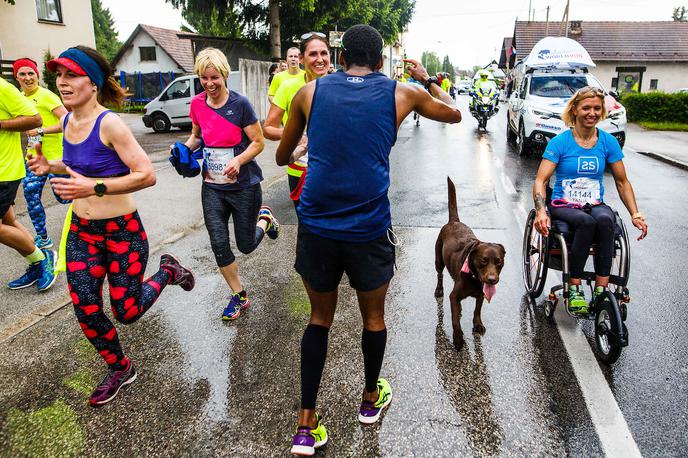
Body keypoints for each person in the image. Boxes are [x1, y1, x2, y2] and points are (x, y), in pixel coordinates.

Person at [276, 24, 461, 456]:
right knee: (372, 318)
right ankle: (368, 400)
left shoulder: (310, 93)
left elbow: (283, 156)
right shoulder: (403, 92)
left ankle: (306, 426)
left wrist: (308, 147)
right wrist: (428, 78)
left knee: (318, 319)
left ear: (341, 59)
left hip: (318, 226)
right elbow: (454, 114)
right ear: (381, 62)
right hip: (368, 228)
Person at [28, 45, 195, 406]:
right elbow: (80, 165)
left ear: (94, 83)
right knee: (85, 306)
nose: (62, 83)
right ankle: (120, 367)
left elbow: (146, 175)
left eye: (72, 75)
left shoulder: (111, 124)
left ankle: (168, 272)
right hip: (82, 233)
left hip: (122, 233)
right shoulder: (69, 121)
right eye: (59, 75)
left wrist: (94, 187)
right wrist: (50, 165)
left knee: (127, 311)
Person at [179, 47, 279, 321]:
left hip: (244, 185)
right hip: (212, 186)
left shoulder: (241, 104)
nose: (209, 84)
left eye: (214, 78)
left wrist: (239, 161)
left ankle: (265, 220)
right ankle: (239, 296)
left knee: (245, 245)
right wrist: (183, 149)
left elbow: (258, 142)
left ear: (224, 75)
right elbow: (197, 136)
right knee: (219, 244)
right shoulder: (198, 104)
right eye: (203, 78)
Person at [532, 86, 648, 314]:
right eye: (586, 108)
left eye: (597, 108)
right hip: (564, 205)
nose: (592, 113)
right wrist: (540, 211)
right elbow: (540, 180)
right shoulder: (560, 142)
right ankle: (574, 287)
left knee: (606, 220)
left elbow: (622, 181)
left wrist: (635, 213)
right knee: (587, 223)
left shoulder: (608, 142)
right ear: (575, 109)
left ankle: (601, 290)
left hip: (594, 203)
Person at [0, 76, 57, 292]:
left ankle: (43, 259)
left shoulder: (2, 88)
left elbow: (35, 119)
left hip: (4, 170)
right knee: (9, 221)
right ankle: (37, 263)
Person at [263, 32, 331, 208]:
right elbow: (268, 128)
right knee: (306, 225)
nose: (320, 59)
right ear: (301, 58)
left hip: (332, 169)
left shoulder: (340, 86)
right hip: (299, 167)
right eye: (313, 54)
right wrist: (295, 134)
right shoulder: (288, 86)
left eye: (324, 53)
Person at [14, 58, 71, 249]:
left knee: (65, 197)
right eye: (23, 74)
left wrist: (41, 131)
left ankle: (87, 223)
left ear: (37, 76)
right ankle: (43, 237)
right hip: (33, 158)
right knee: (31, 195)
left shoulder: (47, 96)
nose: (28, 77)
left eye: (31, 73)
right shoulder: (19, 99)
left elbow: (67, 121)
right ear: (17, 78)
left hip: (56, 157)